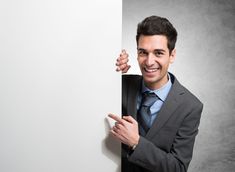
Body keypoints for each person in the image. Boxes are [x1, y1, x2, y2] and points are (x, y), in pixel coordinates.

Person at [108, 15, 203, 172]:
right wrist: (111, 66)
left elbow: (177, 168)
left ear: (172, 55)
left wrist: (136, 142)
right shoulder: (121, 84)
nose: (149, 61)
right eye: (143, 52)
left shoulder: (190, 106)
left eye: (158, 53)